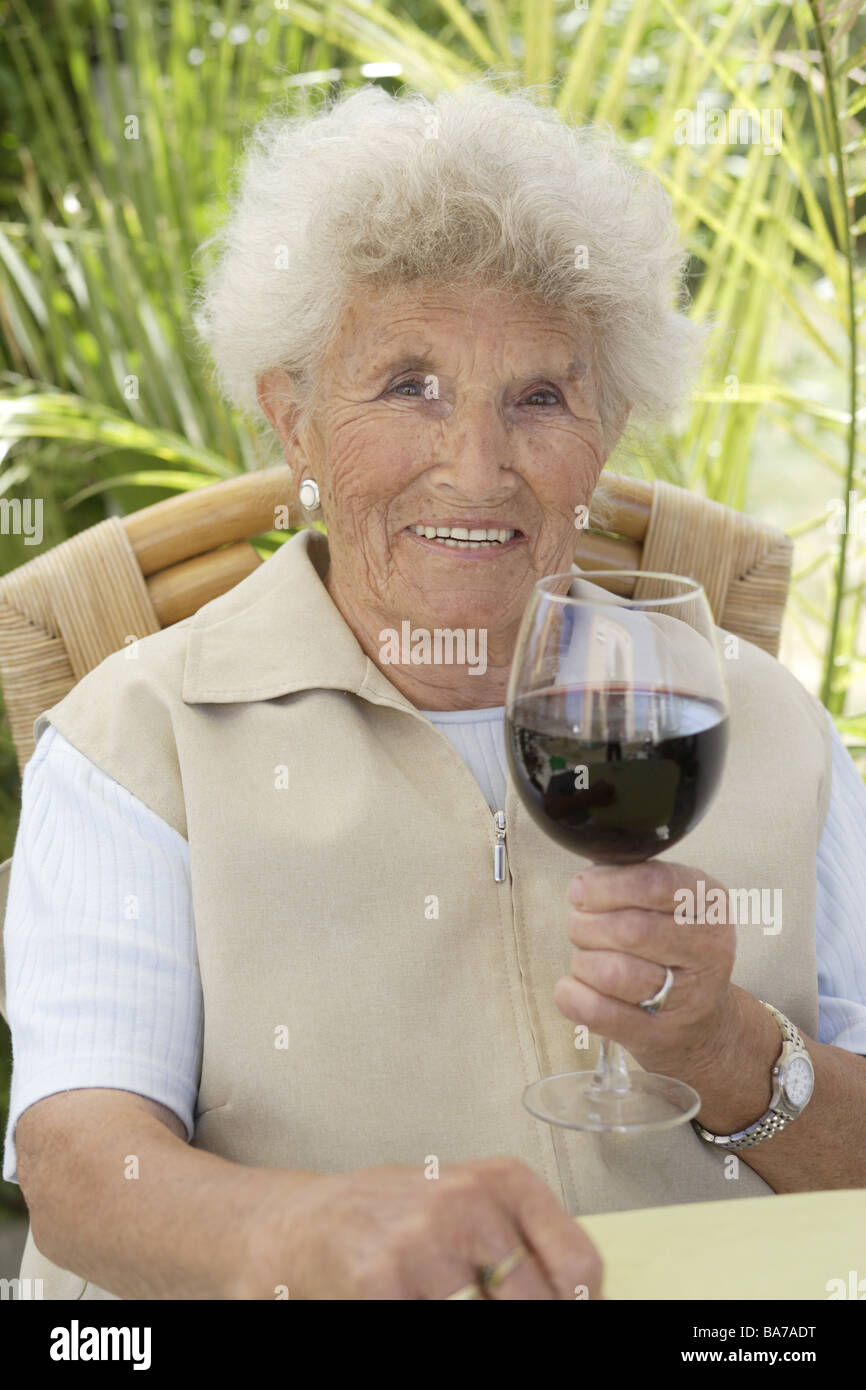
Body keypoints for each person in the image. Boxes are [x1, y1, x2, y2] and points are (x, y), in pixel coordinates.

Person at [3, 80, 866, 1302]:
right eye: (408, 384)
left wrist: (728, 1052)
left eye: (538, 397)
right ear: (291, 421)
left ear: (606, 431)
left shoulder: (758, 723)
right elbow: (82, 1168)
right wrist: (296, 1236)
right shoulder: (140, 740)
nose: (475, 468)